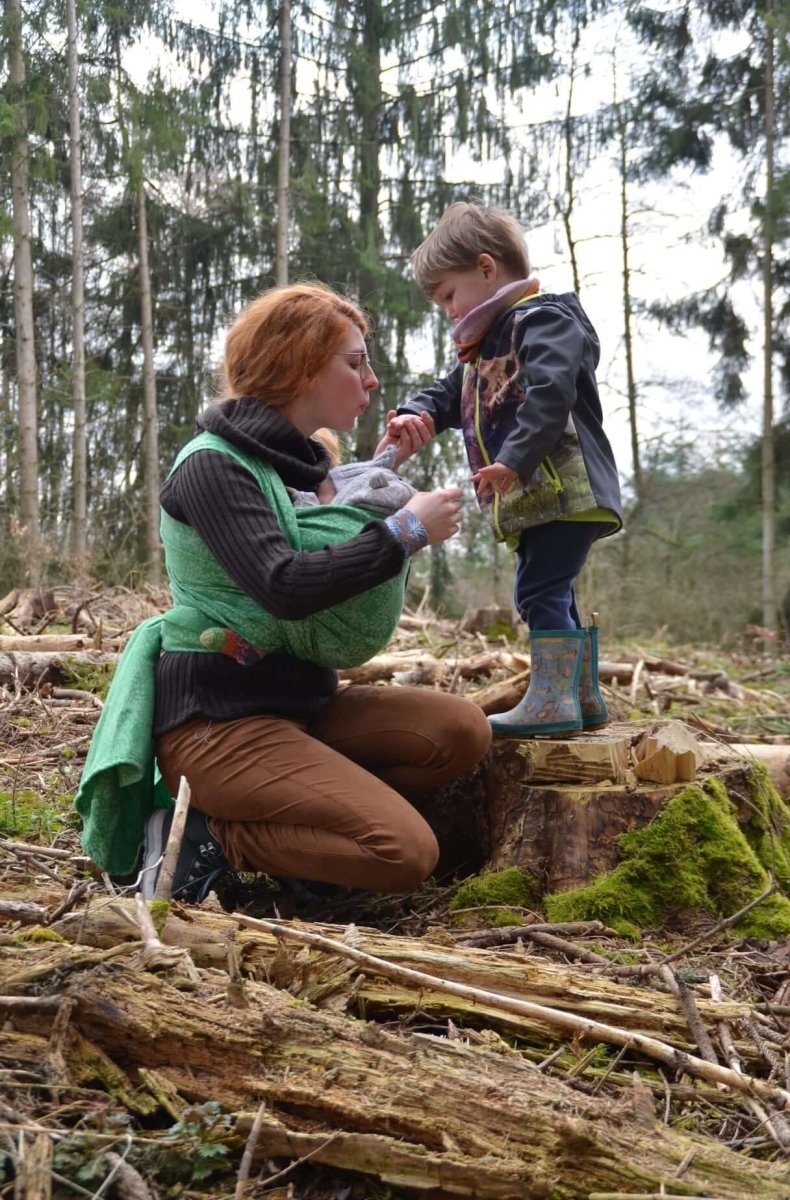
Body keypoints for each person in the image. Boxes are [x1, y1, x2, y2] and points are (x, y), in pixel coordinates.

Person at [75, 282, 492, 903]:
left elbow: (329, 518)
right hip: (217, 722)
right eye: (355, 363)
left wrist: (382, 473)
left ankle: (308, 827)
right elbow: (285, 585)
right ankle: (209, 836)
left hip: (299, 706)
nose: (372, 380)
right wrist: (405, 531)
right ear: (299, 370)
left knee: (460, 731)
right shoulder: (212, 466)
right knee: (405, 851)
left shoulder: (290, 463)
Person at [381, 201, 623, 738]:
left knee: (539, 589)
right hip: (546, 498)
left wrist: (512, 460)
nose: (446, 308)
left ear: (486, 268)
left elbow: (552, 393)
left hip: (567, 489)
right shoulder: (489, 343)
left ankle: (552, 702)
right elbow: (451, 393)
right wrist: (416, 412)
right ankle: (580, 698)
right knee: (551, 588)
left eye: (448, 293)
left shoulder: (543, 320)